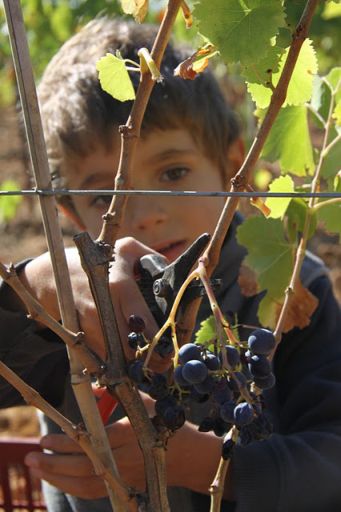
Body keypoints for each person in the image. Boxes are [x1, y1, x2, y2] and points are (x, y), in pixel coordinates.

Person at [0, 15, 341, 512]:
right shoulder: (73, 310)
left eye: (173, 171)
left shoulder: (287, 287)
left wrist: (207, 466)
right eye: (104, 195)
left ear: (234, 170)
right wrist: (34, 289)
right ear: (68, 214)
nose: (146, 213)